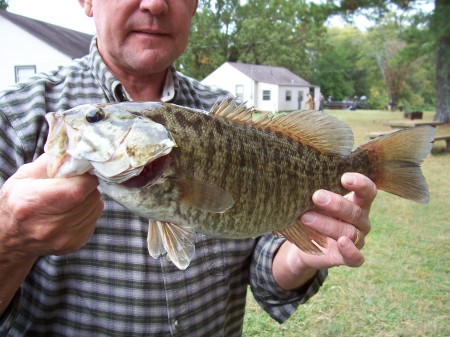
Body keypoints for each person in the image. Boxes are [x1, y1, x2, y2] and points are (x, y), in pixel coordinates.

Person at [0, 1, 375, 336]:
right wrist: (10, 239)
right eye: (96, 118)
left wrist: (300, 256)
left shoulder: (229, 113)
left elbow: (265, 265)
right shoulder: (15, 118)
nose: (155, 4)